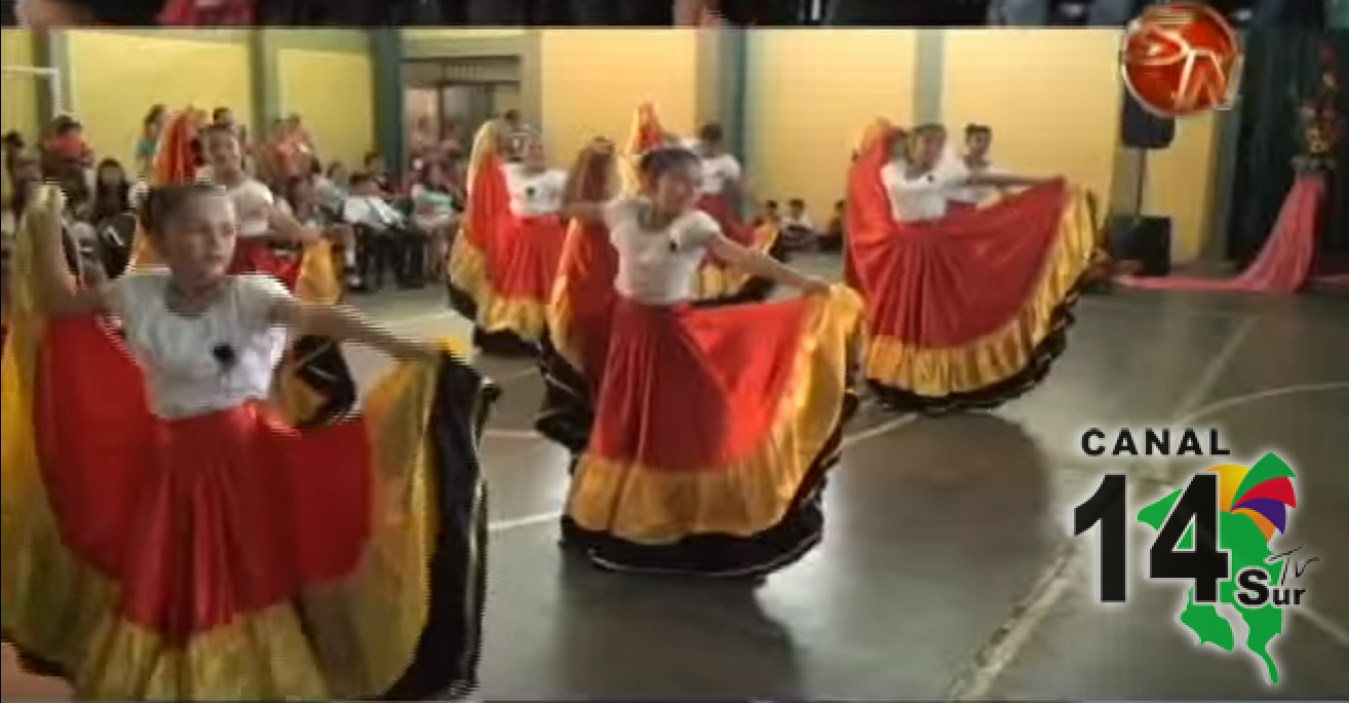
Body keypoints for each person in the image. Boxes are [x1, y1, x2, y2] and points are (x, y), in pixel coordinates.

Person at [2, 182, 491, 700]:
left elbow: (322, 317)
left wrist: (403, 347)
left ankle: (250, 675)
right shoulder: (138, 293)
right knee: (171, 574)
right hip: (172, 467)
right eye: (197, 231)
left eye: (226, 230)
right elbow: (60, 304)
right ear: (163, 241)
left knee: (251, 568)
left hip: (247, 460)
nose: (216, 243)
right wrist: (42, 221)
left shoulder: (253, 295)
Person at [548, 141, 862, 576]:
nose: (689, 192)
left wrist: (802, 280)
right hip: (629, 334)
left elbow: (744, 257)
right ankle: (624, 517)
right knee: (628, 425)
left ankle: (706, 517)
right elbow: (568, 210)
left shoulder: (696, 224)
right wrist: (589, 161)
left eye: (696, 184)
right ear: (652, 182)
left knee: (700, 417)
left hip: (671, 333)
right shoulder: (622, 211)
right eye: (680, 182)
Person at [848, 120, 1097, 412]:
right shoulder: (894, 173)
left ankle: (936, 378)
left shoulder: (944, 171)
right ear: (913, 146)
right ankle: (898, 377)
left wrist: (1041, 182)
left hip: (939, 245)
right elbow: (914, 189)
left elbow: (989, 179)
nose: (934, 149)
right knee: (906, 315)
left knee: (938, 316)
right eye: (927, 143)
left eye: (939, 144)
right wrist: (949, 175)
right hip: (907, 251)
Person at [447, 124, 568, 353]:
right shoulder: (496, 169)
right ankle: (515, 334)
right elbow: (497, 208)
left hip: (520, 238)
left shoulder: (501, 168)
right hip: (510, 240)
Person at [343, 172, 424, 289]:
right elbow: (353, 220)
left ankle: (415, 274)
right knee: (394, 237)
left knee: (417, 234)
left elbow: (390, 213)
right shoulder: (351, 202)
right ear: (357, 186)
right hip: (370, 230)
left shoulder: (375, 200)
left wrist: (399, 219)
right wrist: (374, 224)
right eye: (366, 185)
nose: (370, 187)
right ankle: (401, 277)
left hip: (391, 225)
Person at [411, 160, 461, 282]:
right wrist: (438, 210)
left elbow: (461, 203)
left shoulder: (445, 188)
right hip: (427, 218)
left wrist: (453, 190)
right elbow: (420, 208)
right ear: (426, 175)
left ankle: (438, 269)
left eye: (439, 173)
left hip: (446, 219)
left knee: (446, 231)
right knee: (444, 228)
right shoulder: (419, 188)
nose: (437, 176)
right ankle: (444, 270)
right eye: (434, 173)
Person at [945, 123, 1006, 212]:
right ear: (967, 141)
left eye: (986, 141)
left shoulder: (992, 170)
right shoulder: (954, 162)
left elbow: (1006, 192)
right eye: (978, 140)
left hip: (970, 214)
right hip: (947, 211)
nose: (982, 145)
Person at [90, 158, 133, 224]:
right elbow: (95, 217)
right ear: (100, 176)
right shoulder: (98, 193)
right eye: (107, 173)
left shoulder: (130, 190)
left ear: (121, 174)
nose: (111, 177)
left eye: (114, 172)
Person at [134, 104, 167, 178]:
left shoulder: (160, 127)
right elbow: (155, 136)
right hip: (148, 148)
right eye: (162, 115)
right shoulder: (151, 126)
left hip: (152, 148)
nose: (164, 118)